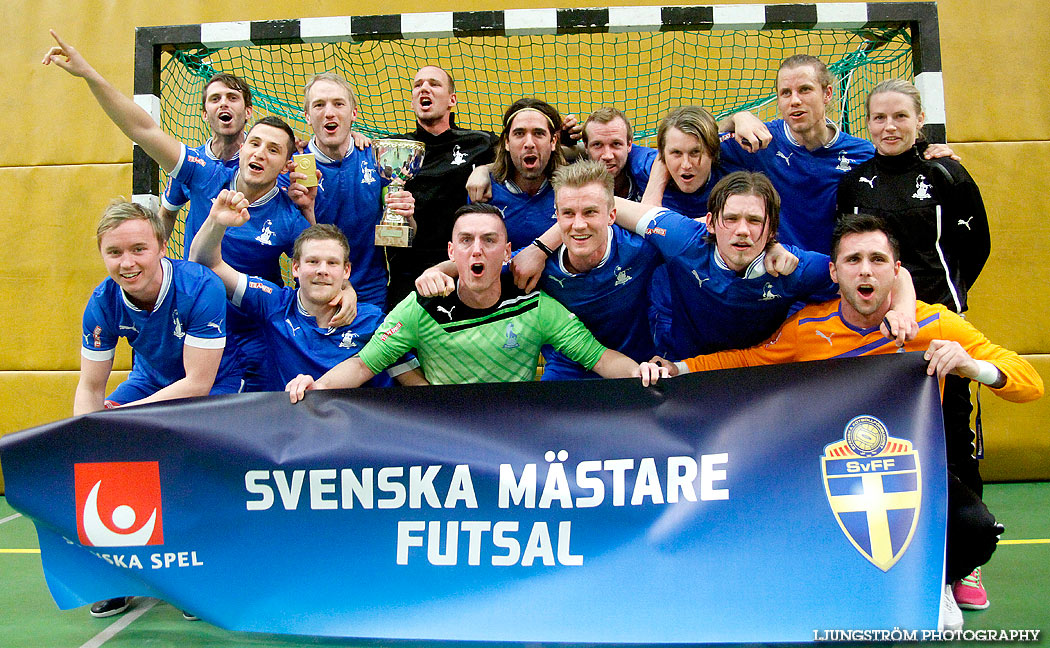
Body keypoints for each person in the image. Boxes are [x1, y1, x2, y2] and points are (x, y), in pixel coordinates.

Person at [658, 213, 1043, 632]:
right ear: (833, 271)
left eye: (877, 260)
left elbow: (1030, 383)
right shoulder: (808, 328)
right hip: (825, 479)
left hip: (910, 477)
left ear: (896, 272)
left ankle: (939, 581)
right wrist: (677, 369)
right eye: (853, 259)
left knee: (978, 531)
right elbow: (746, 362)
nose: (865, 270)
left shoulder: (934, 324)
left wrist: (973, 366)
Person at [43, 31, 357, 391]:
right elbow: (142, 129)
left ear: (286, 163)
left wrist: (346, 291)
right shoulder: (205, 174)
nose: (259, 154)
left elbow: (319, 263)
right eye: (254, 143)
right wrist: (89, 74)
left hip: (247, 336)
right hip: (185, 323)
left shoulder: (290, 213)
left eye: (273, 150)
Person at [836, 78, 992, 609]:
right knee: (883, 442)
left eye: (900, 117)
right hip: (877, 334)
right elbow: (856, 249)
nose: (889, 127)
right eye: (879, 118)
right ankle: (895, 558)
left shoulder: (945, 173)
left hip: (935, 327)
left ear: (918, 119)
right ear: (868, 122)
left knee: (951, 437)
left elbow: (977, 243)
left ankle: (962, 566)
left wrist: (940, 301)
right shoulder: (856, 179)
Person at [287, 204, 660, 398]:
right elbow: (362, 365)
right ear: (452, 250)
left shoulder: (535, 306)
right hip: (446, 440)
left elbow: (598, 357)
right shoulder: (422, 307)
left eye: (489, 240)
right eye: (465, 241)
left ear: (508, 252)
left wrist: (638, 372)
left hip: (510, 437)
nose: (477, 250)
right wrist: (316, 388)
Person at [74, 201, 242, 620]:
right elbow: (90, 387)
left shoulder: (199, 286)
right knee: (104, 450)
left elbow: (196, 384)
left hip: (215, 384)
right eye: (114, 253)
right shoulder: (102, 300)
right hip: (152, 380)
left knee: (191, 462)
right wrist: (85, 436)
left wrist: (125, 419)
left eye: (138, 249)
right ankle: (116, 575)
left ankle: (197, 576)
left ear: (162, 247)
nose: (127, 263)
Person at [609, 172, 917, 361]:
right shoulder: (681, 237)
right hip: (686, 370)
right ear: (712, 223)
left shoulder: (793, 267)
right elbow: (613, 205)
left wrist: (901, 311)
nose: (742, 230)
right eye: (731, 219)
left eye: (754, 220)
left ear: (771, 231)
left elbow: (894, 272)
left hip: (760, 378)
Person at [417, 160, 663, 380]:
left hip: (635, 370)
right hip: (567, 369)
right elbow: (477, 261)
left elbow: (694, 241)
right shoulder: (535, 265)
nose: (578, 225)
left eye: (590, 212)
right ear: (556, 216)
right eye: (568, 213)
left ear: (611, 215)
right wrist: (434, 272)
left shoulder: (642, 249)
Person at [719, 55, 956, 255]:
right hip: (776, 278)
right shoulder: (758, 140)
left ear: (827, 93)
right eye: (785, 93)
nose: (795, 100)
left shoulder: (863, 154)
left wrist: (927, 156)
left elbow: (902, 168)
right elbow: (693, 144)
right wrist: (736, 118)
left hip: (838, 284)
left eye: (805, 90)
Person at [190, 190, 425, 388]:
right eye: (313, 261)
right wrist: (216, 222)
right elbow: (207, 263)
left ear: (346, 272)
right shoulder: (273, 303)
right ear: (295, 267)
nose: (322, 270)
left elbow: (415, 386)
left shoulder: (373, 321)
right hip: (293, 430)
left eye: (332, 263)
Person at [386, 65, 499, 310]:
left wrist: (484, 169)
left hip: (465, 272)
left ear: (452, 100)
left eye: (434, 84)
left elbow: (523, 158)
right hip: (408, 276)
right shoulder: (394, 148)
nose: (424, 88)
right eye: (418, 85)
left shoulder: (480, 143)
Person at [301, 72, 415, 307]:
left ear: (353, 114)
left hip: (371, 294)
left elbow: (405, 238)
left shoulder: (377, 157)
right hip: (317, 292)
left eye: (338, 104)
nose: (329, 112)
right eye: (319, 105)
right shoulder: (296, 167)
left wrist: (407, 217)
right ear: (307, 116)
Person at [158, 73, 252, 237]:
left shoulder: (263, 159)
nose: (224, 103)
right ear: (205, 115)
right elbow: (166, 214)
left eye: (232, 98)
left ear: (248, 112)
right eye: (215, 99)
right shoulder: (190, 163)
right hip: (198, 262)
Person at [482, 97, 565, 249]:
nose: (529, 144)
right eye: (519, 133)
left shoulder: (572, 188)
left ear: (553, 142)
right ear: (507, 142)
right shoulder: (485, 192)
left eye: (538, 133)